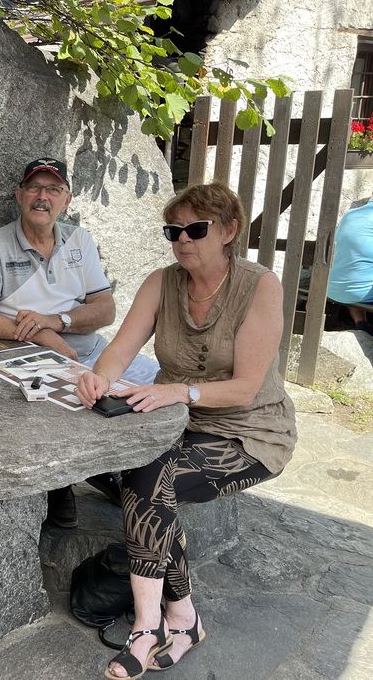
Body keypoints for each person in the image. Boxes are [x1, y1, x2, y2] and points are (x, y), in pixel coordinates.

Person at [76, 182, 296, 679]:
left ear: (229, 231)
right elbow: (120, 349)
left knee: (148, 482)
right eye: (173, 231)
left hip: (249, 432)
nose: (182, 240)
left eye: (196, 229)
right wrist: (99, 377)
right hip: (178, 423)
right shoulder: (162, 282)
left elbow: (244, 388)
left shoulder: (259, 286)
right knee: (123, 472)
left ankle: (148, 625)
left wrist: (179, 391)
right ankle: (182, 617)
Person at [0, 157, 158, 527]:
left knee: (161, 386)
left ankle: (126, 472)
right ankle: (62, 483)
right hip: (28, 358)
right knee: (67, 405)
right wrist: (42, 335)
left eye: (54, 189)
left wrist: (58, 321)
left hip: (92, 351)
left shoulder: (80, 240)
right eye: (34, 187)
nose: (43, 197)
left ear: (66, 200)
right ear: (19, 195)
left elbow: (105, 310)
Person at [327, 197, 373, 335]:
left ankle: (361, 323)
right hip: (359, 294)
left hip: (332, 289)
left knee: (356, 269)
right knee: (361, 274)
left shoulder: (350, 214)